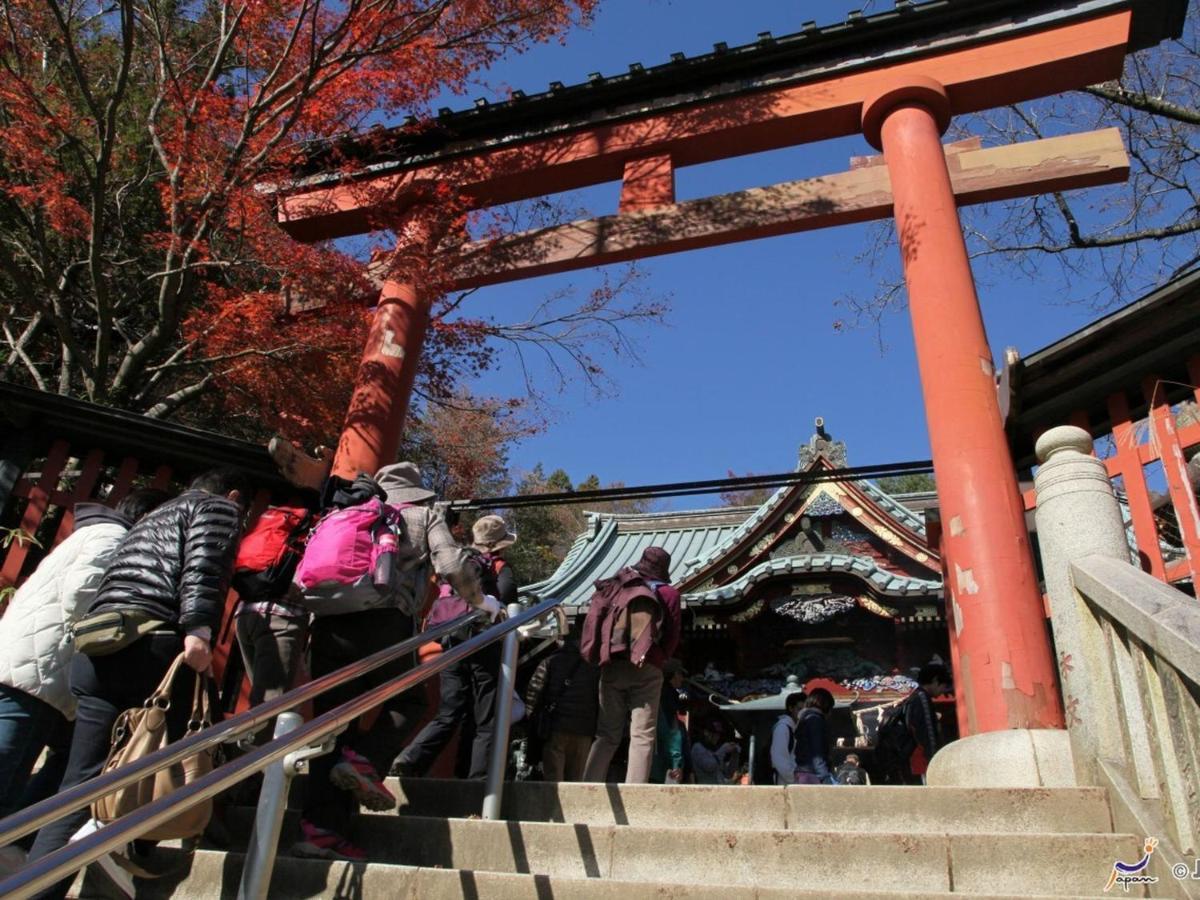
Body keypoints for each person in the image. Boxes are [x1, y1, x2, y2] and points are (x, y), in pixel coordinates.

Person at [25, 469, 247, 900]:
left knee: (80, 787)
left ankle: (33, 890)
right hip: (155, 647)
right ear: (235, 496)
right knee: (180, 765)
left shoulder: (151, 516)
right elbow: (204, 565)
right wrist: (199, 629)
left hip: (101, 648)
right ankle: (146, 855)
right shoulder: (217, 507)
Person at [293, 463, 499, 862]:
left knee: (334, 727)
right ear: (417, 493)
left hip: (327, 625)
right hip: (383, 622)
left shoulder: (344, 512)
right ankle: (365, 761)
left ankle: (319, 831)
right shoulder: (423, 515)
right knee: (411, 701)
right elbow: (450, 564)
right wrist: (481, 602)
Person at [0, 490, 170, 818]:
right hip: (38, 674)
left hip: (30, 666)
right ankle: (18, 841)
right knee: (7, 776)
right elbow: (81, 594)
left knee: (68, 757)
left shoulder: (92, 533)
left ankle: (23, 838)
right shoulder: (114, 537)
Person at [394, 514, 518, 780]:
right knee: (486, 718)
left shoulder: (458, 561)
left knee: (450, 711)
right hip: (483, 642)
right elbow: (505, 600)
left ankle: (411, 758)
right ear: (500, 545)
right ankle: (477, 781)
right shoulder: (499, 567)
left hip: (451, 639)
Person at [582, 546, 682, 784]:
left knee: (606, 734)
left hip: (613, 663)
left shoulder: (618, 585)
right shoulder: (669, 593)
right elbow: (673, 635)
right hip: (647, 666)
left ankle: (588, 785)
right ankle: (633, 792)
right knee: (642, 735)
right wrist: (659, 657)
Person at [906, 663, 952, 784]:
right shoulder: (922, 698)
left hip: (914, 759)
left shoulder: (914, 697)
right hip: (922, 760)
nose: (942, 692)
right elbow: (928, 731)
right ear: (935, 680)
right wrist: (933, 758)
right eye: (943, 686)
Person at [651, 659, 687, 783]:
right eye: (681, 674)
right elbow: (672, 733)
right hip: (662, 761)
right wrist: (676, 763)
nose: (682, 679)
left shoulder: (654, 692)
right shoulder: (669, 697)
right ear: (675, 674)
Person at [793, 688, 836, 785]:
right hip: (812, 774)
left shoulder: (804, 719)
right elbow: (817, 752)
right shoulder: (815, 720)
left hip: (802, 772)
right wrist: (825, 777)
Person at [769, 691, 806, 785]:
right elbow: (779, 759)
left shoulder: (795, 728)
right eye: (799, 709)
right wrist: (794, 779)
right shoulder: (783, 728)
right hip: (785, 783)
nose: (802, 713)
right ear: (790, 708)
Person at [690, 719, 740, 785]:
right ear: (706, 732)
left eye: (719, 734)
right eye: (715, 733)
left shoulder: (715, 750)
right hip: (705, 790)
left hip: (719, 790)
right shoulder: (697, 747)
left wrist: (735, 755)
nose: (717, 737)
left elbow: (729, 774)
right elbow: (710, 766)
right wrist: (723, 749)